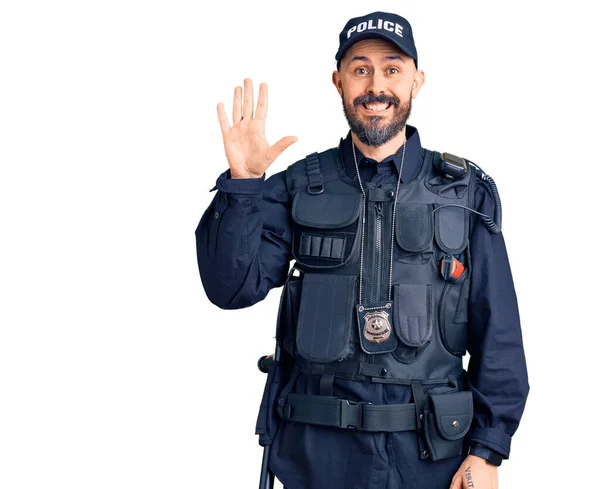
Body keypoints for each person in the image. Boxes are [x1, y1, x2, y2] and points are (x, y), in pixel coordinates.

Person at [195, 10, 529, 489]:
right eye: (360, 69)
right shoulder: (299, 186)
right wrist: (243, 186)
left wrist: (488, 452)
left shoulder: (463, 193)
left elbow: (499, 332)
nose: (377, 86)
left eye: (392, 69)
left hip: (433, 458)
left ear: (417, 80)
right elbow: (231, 288)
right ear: (339, 82)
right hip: (318, 456)